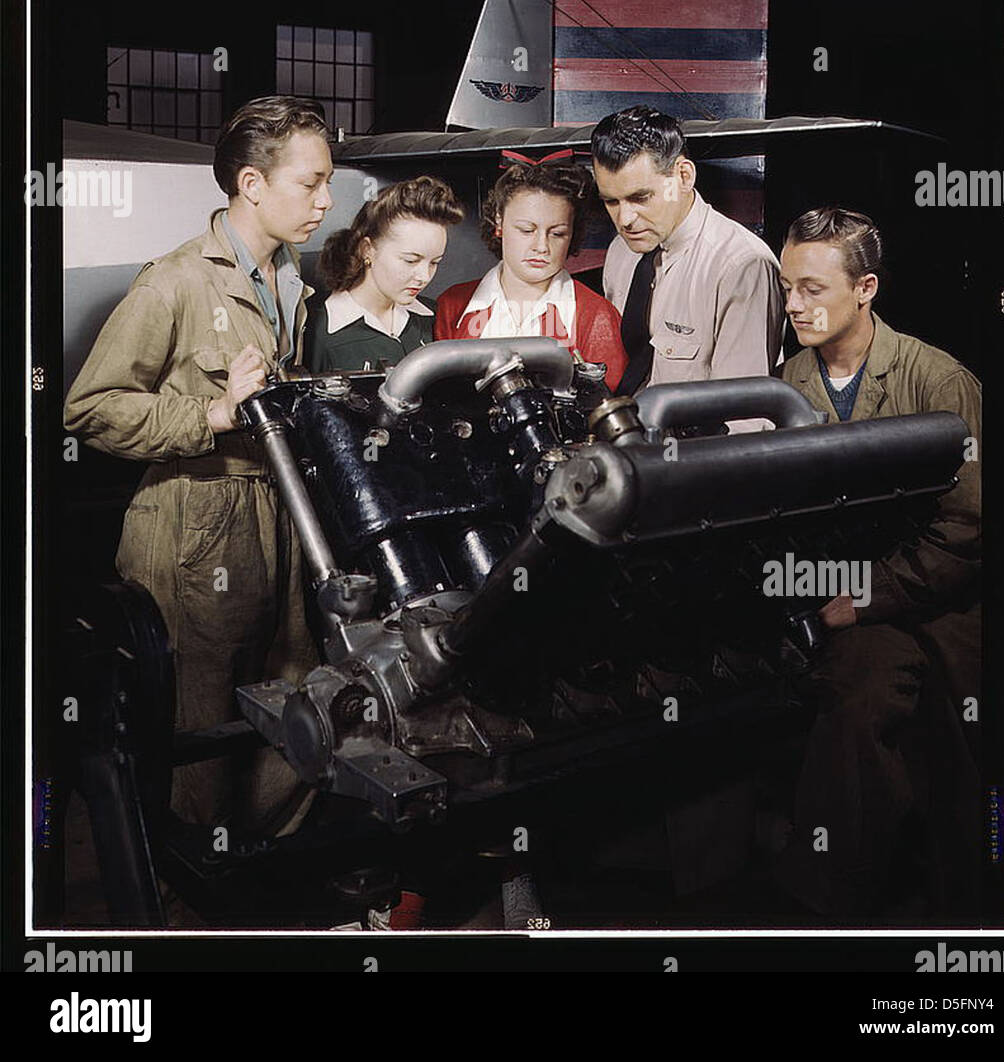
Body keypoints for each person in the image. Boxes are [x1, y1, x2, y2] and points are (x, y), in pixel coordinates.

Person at [64, 95, 335, 837]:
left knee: (288, 701)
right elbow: (88, 409)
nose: (326, 199)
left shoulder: (290, 279)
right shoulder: (177, 281)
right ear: (252, 184)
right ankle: (186, 917)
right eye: (310, 182)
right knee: (199, 728)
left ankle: (252, 878)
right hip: (194, 523)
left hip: (277, 518)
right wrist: (211, 414)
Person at [774, 207, 982, 916]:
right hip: (824, 592)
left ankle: (831, 906)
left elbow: (967, 531)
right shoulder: (786, 381)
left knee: (862, 698)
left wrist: (860, 598)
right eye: (786, 287)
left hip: (931, 601)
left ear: (864, 289)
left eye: (810, 288)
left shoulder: (938, 381)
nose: (794, 305)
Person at [590, 106, 784, 410]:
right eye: (611, 201)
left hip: (696, 453)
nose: (625, 219)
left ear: (683, 176)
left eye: (641, 197)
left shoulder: (742, 265)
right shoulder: (620, 252)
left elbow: (745, 417)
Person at [434, 150, 627, 392]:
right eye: (526, 230)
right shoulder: (452, 305)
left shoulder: (597, 316)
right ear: (499, 223)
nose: (541, 247)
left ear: (573, 234)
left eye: (557, 234)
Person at [307, 177, 464, 373]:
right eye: (410, 260)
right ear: (367, 250)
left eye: (434, 263)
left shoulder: (435, 318)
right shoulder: (318, 331)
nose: (424, 277)